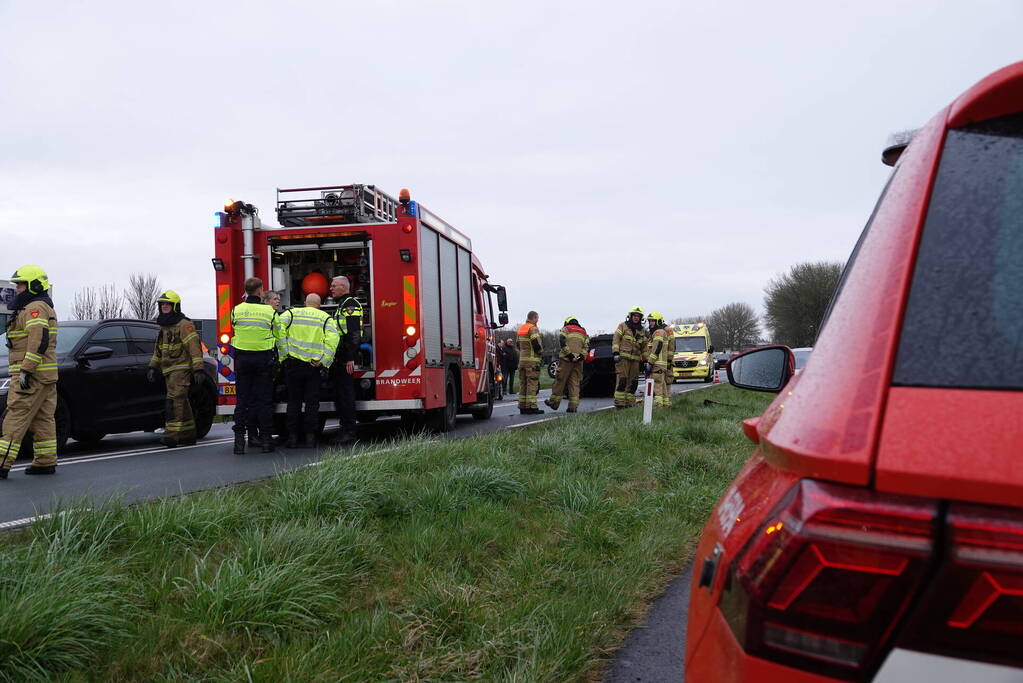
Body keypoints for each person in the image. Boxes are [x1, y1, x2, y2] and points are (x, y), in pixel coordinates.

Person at [0, 265, 58, 477]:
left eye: (21, 284)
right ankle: (45, 461)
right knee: (43, 419)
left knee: (15, 417)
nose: (17, 289)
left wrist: (26, 370)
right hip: (46, 376)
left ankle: (1, 463)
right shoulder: (40, 306)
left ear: (34, 286)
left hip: (31, 376)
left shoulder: (35, 308)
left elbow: (38, 339)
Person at [279, 293, 338, 448]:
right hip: (314, 367)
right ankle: (311, 438)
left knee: (294, 402)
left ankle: (292, 438)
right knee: (312, 403)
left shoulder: (291, 313)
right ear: (319, 305)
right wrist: (324, 361)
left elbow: (278, 331)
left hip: (293, 365)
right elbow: (333, 341)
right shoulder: (325, 318)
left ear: (305, 303)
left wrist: (284, 354)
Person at [147, 290, 205, 447]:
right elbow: (158, 350)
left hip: (181, 370)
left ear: (175, 306)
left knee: (174, 401)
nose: (165, 307)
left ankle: (171, 435)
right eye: (162, 304)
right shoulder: (163, 327)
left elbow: (194, 348)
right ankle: (187, 434)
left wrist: (198, 369)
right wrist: (153, 367)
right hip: (168, 371)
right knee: (182, 401)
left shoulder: (184, 325)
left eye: (168, 304)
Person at [230, 277, 281, 454]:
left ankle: (238, 444)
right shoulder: (269, 312)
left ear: (246, 290)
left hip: (242, 360)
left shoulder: (236, 310)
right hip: (263, 360)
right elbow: (278, 334)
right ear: (260, 291)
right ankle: (267, 442)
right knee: (264, 401)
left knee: (242, 401)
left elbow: (234, 327)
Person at [329, 276, 362, 445]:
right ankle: (344, 430)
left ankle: (349, 432)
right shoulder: (343, 304)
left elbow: (354, 333)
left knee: (346, 397)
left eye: (334, 286)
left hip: (345, 359)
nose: (331, 288)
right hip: (340, 357)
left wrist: (350, 358)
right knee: (340, 396)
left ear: (343, 286)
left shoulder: (350, 305)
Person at [545, 316, 589, 413]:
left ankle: (554, 403)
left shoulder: (566, 329)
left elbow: (562, 341)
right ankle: (573, 407)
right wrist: (581, 356)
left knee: (560, 381)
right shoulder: (583, 331)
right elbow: (586, 346)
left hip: (566, 360)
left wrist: (569, 355)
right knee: (575, 383)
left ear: (567, 322)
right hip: (578, 361)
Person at [612, 306, 648, 409]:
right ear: (630, 316)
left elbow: (644, 347)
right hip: (623, 359)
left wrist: (645, 360)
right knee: (622, 381)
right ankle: (619, 404)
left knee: (633, 383)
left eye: (638, 316)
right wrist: (615, 353)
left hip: (635, 360)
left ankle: (629, 403)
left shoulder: (642, 331)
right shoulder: (622, 326)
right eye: (634, 315)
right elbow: (616, 340)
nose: (636, 318)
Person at [516, 311, 544, 414]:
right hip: (532, 362)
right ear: (534, 317)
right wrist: (540, 352)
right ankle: (532, 407)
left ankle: (522, 407)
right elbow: (536, 343)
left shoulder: (521, 328)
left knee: (523, 384)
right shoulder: (533, 328)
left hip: (522, 362)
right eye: (537, 318)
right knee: (532, 384)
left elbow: (517, 344)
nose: (538, 320)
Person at [644, 312, 672, 409]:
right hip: (661, 365)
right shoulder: (659, 332)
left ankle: (658, 407)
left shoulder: (658, 332)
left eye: (653, 321)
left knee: (657, 387)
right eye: (649, 321)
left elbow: (657, 348)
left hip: (656, 364)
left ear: (658, 321)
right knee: (662, 385)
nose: (650, 323)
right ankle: (666, 405)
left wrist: (650, 363)